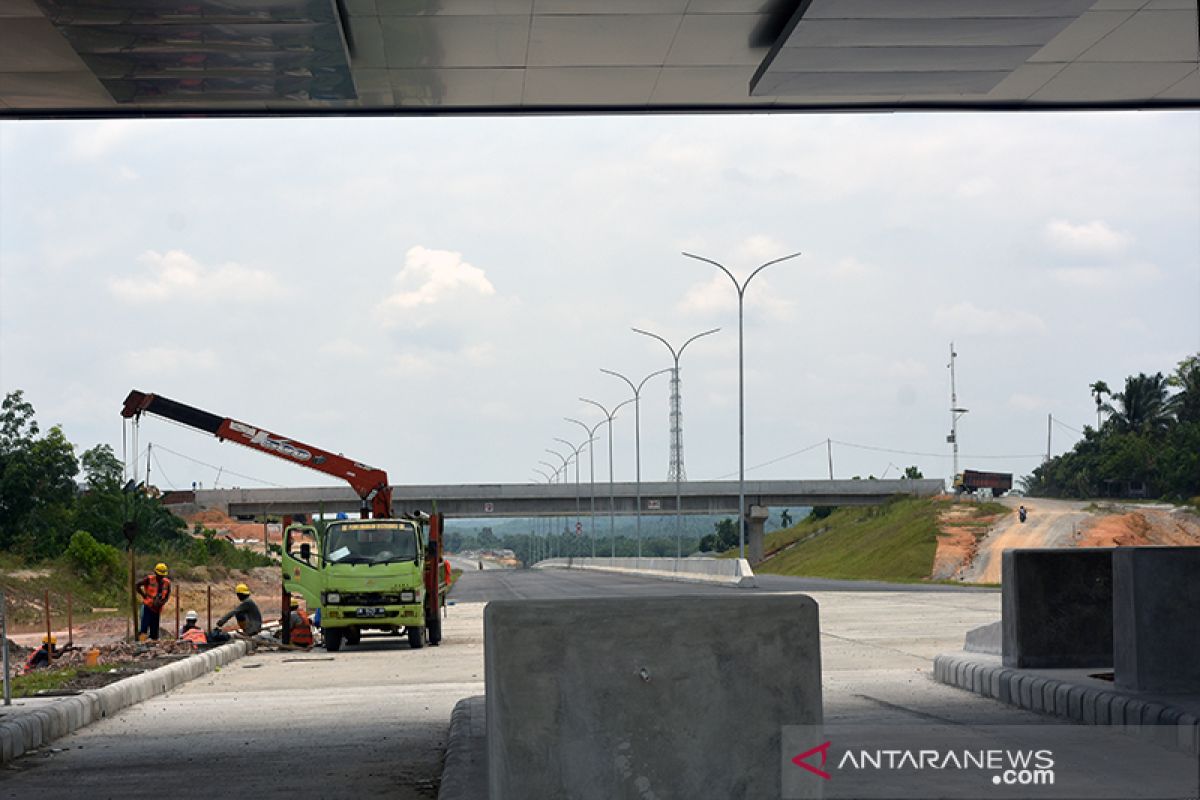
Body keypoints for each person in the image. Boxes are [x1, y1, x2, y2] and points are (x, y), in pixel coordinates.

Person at [135, 562, 171, 640]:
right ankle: (141, 644)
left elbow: (167, 595)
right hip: (148, 607)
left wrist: (162, 602)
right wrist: (144, 595)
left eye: (162, 575)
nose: (161, 577)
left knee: (154, 631)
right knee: (144, 628)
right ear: (155, 573)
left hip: (157, 609)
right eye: (159, 575)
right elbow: (137, 585)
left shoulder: (167, 583)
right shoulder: (149, 579)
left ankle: (153, 646)